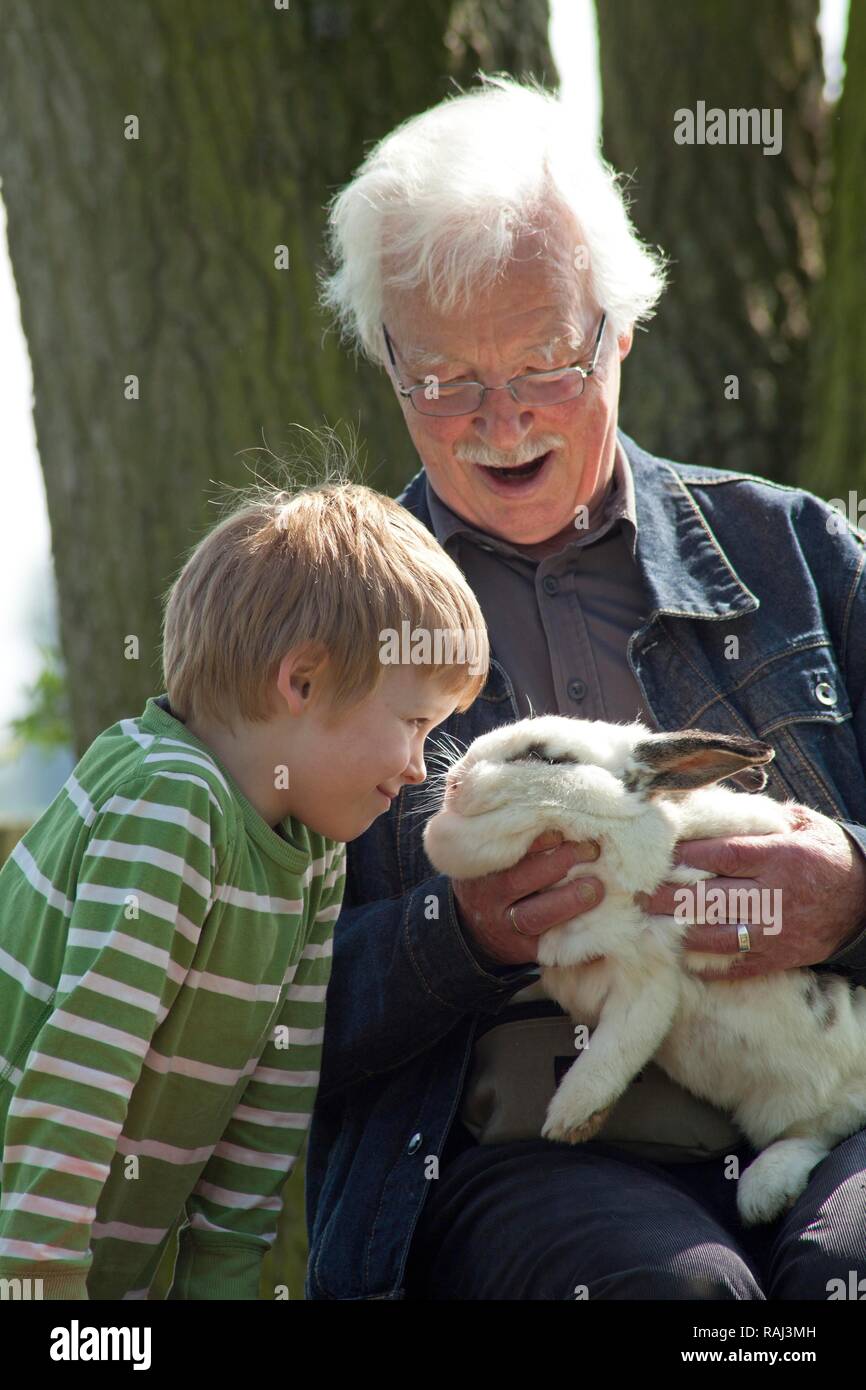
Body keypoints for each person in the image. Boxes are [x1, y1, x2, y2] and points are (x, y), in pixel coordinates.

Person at [305, 75, 866, 1301]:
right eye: (441, 379)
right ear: (384, 355)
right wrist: (454, 938)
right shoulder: (324, 621)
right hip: (531, 1151)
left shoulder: (796, 557)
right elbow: (255, 1010)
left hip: (827, 1093)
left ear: (618, 328)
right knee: (675, 1301)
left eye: (542, 362)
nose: (496, 421)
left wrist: (852, 892)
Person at [0, 474, 488, 1300]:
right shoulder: (169, 801)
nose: (417, 769)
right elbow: (79, 1076)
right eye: (413, 725)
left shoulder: (312, 854)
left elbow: (258, 1142)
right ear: (301, 681)